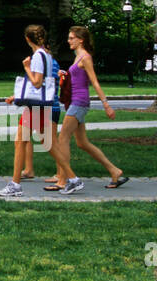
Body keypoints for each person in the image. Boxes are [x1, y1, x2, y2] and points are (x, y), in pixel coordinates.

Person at [48, 25, 129, 193]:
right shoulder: (77, 58)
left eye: (71, 38)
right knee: (82, 143)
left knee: (62, 139)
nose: (68, 40)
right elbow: (77, 79)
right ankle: (115, 171)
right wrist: (64, 75)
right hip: (75, 102)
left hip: (80, 102)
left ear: (80, 40)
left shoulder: (85, 58)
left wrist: (106, 105)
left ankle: (64, 180)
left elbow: (95, 82)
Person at [0, 24, 59, 197]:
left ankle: (15, 184)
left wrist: (26, 68)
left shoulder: (38, 56)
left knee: (20, 141)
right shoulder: (46, 55)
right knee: (47, 143)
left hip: (36, 105)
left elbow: (37, 83)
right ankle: (72, 177)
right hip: (41, 104)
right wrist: (16, 97)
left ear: (27, 39)